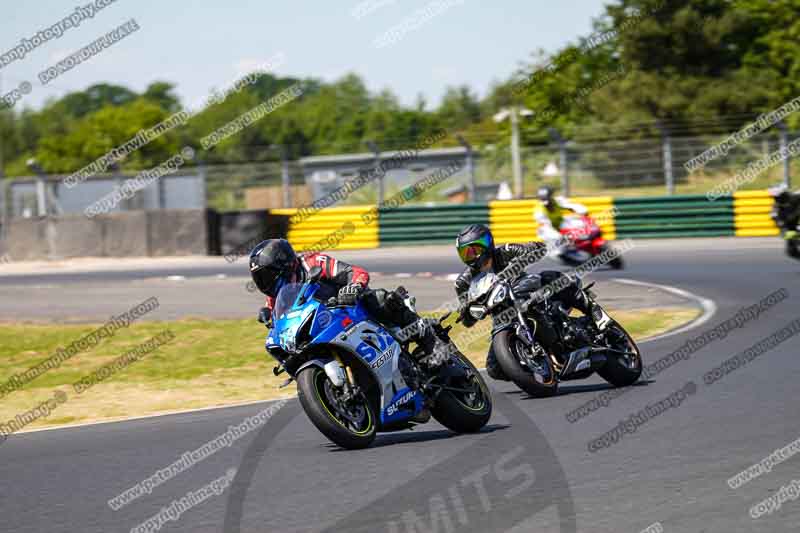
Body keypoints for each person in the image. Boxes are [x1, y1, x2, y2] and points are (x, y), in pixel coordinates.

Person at [249, 239, 447, 365]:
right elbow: (278, 322)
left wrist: (353, 287)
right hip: (324, 327)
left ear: (283, 265)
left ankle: (431, 342)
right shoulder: (274, 297)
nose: (265, 283)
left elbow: (356, 272)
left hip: (351, 308)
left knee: (381, 299)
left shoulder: (313, 262)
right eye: (261, 279)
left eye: (267, 276)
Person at [453, 223, 594, 380]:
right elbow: (467, 318)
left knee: (549, 277)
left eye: (475, 250)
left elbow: (536, 249)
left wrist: (528, 252)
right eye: (466, 253)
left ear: (487, 244)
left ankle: (593, 312)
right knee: (494, 369)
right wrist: (466, 311)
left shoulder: (506, 251)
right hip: (502, 316)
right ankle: (534, 363)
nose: (471, 256)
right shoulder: (462, 283)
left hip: (526, 293)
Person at [533, 186, 589, 265]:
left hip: (560, 222)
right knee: (558, 238)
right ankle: (560, 252)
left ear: (550, 196)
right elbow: (544, 224)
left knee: (580, 223)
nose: (547, 204)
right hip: (546, 229)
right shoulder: (538, 211)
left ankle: (582, 244)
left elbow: (571, 206)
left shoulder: (558, 201)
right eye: (543, 200)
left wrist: (581, 210)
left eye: (547, 199)